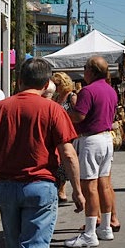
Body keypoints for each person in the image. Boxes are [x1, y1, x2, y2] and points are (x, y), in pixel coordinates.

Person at [0, 57, 85, 248]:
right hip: (40, 187)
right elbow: (68, 154)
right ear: (47, 84)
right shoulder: (53, 110)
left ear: (19, 81)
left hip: (6, 188)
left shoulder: (0, 109)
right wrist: (78, 190)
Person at [64, 56, 120, 247]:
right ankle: (105, 228)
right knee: (104, 184)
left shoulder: (88, 91)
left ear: (92, 71)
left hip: (91, 140)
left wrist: (63, 113)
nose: (83, 71)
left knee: (89, 186)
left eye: (85, 68)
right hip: (106, 138)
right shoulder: (110, 90)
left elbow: (79, 116)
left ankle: (90, 233)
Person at [50, 72, 77, 204]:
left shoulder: (72, 96)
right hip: (57, 133)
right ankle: (61, 189)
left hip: (69, 133)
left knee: (65, 161)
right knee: (58, 162)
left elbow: (77, 114)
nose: (55, 87)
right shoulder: (56, 97)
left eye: (57, 84)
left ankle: (62, 190)